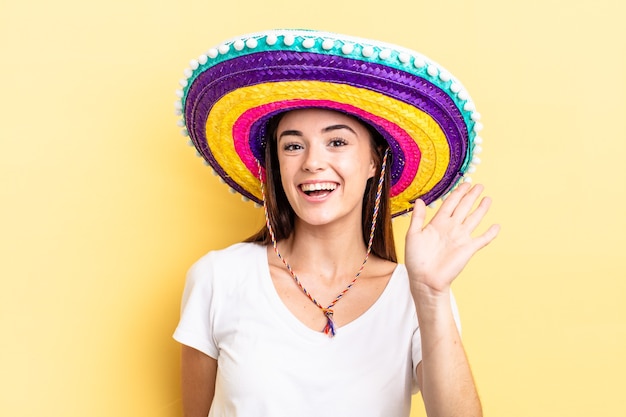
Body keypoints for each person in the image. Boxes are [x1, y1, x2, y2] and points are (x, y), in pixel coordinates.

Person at [173, 30, 499, 417]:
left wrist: (431, 295)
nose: (312, 162)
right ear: (276, 167)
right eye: (293, 145)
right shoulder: (219, 277)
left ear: (375, 162)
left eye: (337, 142)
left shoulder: (415, 295)